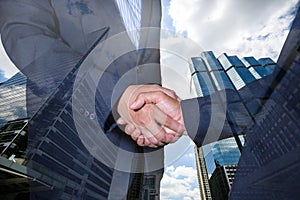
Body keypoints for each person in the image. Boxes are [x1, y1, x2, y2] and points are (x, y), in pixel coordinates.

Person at [0, 0, 181, 199]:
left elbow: (145, 63)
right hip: (71, 138)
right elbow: (24, 32)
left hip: (143, 158)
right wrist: (117, 94)